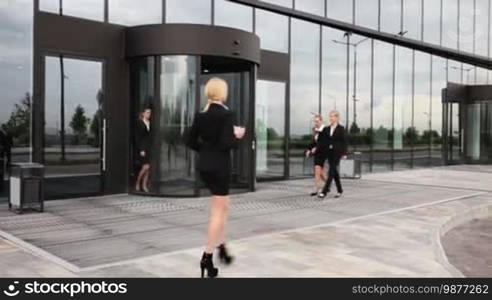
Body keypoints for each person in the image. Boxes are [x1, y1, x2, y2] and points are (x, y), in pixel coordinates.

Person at [187, 77, 245, 278]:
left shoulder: (200, 115)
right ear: (222, 92)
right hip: (220, 167)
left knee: (224, 205)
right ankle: (207, 257)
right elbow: (225, 143)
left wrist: (205, 150)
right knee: (218, 212)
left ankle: (222, 246)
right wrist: (237, 135)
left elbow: (189, 140)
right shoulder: (228, 114)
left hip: (205, 165)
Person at [318, 111, 348, 199]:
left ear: (337, 118)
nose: (331, 118)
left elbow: (344, 141)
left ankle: (324, 191)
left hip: (337, 153)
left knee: (331, 171)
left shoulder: (341, 128)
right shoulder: (327, 128)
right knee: (334, 172)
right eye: (330, 116)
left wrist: (344, 153)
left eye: (332, 116)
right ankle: (340, 190)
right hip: (329, 153)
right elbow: (323, 140)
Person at [305, 114, 327, 196]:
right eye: (315, 121)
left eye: (317, 121)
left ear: (321, 121)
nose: (316, 123)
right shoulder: (315, 130)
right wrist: (308, 149)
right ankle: (327, 184)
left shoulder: (325, 130)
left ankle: (317, 189)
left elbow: (324, 143)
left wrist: (316, 148)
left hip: (323, 153)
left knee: (317, 171)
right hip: (317, 153)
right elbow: (313, 142)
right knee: (320, 172)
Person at [135, 107, 152, 193]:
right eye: (148, 112)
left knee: (148, 168)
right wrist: (141, 149)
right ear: (143, 113)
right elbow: (137, 138)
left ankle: (144, 186)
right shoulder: (139, 123)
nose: (149, 114)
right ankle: (138, 182)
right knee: (146, 167)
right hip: (142, 148)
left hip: (149, 148)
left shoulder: (150, 123)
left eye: (150, 113)